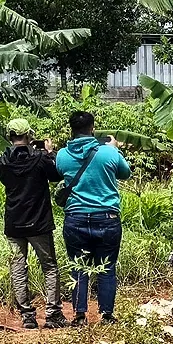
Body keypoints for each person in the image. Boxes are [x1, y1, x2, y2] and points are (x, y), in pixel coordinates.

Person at [56, 111, 131, 326]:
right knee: (107, 267)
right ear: (92, 128)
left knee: (78, 266)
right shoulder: (108, 152)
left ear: (71, 129)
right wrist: (114, 149)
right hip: (107, 218)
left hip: (75, 218)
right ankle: (106, 315)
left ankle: (79, 316)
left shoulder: (62, 155)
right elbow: (125, 174)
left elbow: (60, 172)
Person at [0, 118, 67, 329]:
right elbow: (55, 176)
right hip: (39, 223)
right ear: (29, 136)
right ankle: (53, 314)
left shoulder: (1, 162)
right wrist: (49, 152)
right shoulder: (40, 159)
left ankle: (27, 316)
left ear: (10, 137)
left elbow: (8, 179)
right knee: (49, 267)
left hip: (14, 224)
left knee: (18, 268)